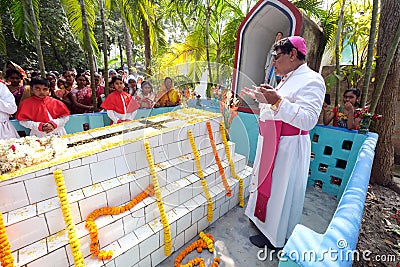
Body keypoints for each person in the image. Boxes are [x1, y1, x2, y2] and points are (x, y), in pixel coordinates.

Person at [242, 36, 326, 249]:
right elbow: (279, 109)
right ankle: (261, 220)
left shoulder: (313, 80)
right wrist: (263, 99)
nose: (273, 63)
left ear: (293, 54)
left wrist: (276, 101)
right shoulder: (287, 78)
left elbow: (308, 120)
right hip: (272, 141)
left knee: (280, 190)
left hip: (289, 146)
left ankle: (274, 237)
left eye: (277, 57)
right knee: (264, 183)